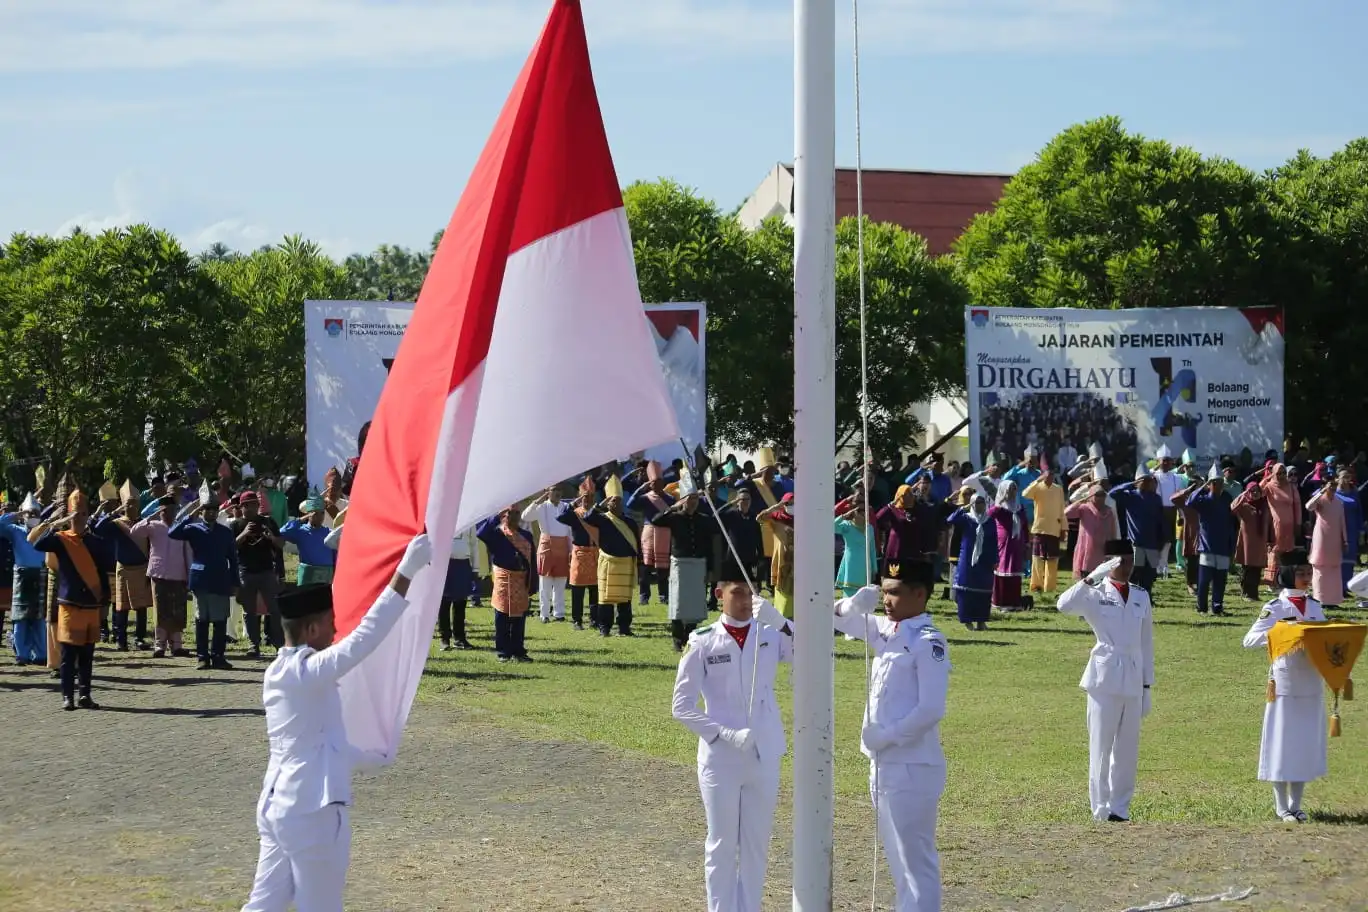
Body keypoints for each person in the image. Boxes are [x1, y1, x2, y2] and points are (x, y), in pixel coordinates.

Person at [240, 533, 430, 912]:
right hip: (311, 810)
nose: (335, 631)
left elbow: (319, 744)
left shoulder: (278, 671)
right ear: (311, 631)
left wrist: (369, 758)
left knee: (263, 906)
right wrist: (404, 572)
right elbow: (366, 637)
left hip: (278, 806)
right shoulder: (308, 671)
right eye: (330, 624)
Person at [670, 561, 794, 912]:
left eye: (752, 591)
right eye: (738, 592)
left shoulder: (770, 633)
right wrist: (722, 733)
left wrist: (783, 622)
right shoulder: (703, 641)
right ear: (719, 594)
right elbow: (681, 705)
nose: (745, 599)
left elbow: (814, 652)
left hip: (763, 752)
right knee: (722, 843)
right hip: (721, 757)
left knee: (756, 844)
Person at [834, 562, 949, 912]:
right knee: (898, 861)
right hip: (883, 764)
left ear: (920, 594)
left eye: (894, 591)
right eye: (884, 591)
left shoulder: (927, 642)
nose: (887, 599)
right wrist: (854, 603)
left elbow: (931, 709)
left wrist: (886, 736)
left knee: (915, 862)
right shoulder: (887, 629)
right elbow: (832, 619)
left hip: (911, 765)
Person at [1057, 540, 1154, 821]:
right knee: (1101, 747)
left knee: (1127, 749)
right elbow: (1063, 605)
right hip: (1104, 676)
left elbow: (1146, 643)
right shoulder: (1094, 593)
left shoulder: (1140, 595)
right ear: (1109, 562)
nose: (1126, 566)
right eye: (1121, 561)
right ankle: (1099, 808)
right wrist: (1092, 576)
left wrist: (1147, 686)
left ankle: (1120, 808)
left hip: (1134, 677)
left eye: (1130, 560)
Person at [1242, 550, 1326, 822]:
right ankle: (1281, 806)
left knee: (1303, 743)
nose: (1306, 578)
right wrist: (1283, 635)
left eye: (1308, 572)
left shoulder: (1315, 606)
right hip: (1285, 683)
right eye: (1301, 573)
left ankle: (1297, 803)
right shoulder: (1275, 607)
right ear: (1289, 574)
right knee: (1282, 743)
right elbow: (1250, 640)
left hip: (1311, 682)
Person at [30, 488, 121, 710]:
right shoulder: (61, 540)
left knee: (87, 656)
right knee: (68, 656)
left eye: (82, 514)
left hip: (91, 605)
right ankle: (67, 696)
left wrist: (104, 602)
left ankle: (85, 695)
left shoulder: (96, 541)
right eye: (75, 514)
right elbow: (35, 542)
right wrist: (55, 520)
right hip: (69, 605)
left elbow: (104, 569)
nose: (78, 519)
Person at [171, 500, 241, 671]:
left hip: (220, 579)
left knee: (220, 621)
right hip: (201, 579)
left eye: (214, 509)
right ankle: (202, 657)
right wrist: (191, 515)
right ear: (201, 511)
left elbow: (233, 558)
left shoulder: (225, 532)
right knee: (201, 620)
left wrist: (235, 582)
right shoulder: (193, 529)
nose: (211, 512)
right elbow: (173, 532)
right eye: (207, 509)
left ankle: (218, 657)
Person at [565, 480, 640, 637]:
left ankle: (624, 628)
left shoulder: (630, 522)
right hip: (608, 563)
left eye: (618, 501)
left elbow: (636, 543)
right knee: (605, 599)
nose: (616, 504)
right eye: (613, 501)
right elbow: (587, 518)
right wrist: (600, 504)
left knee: (625, 600)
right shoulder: (602, 518)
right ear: (608, 503)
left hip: (626, 564)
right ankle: (604, 628)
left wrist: (638, 561)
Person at [650, 486, 717, 651]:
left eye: (695, 499)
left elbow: (709, 546)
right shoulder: (674, 517)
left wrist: (711, 568)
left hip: (698, 564)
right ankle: (677, 639)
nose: (693, 503)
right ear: (683, 500)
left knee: (694, 603)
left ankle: (691, 637)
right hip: (680, 564)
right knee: (679, 603)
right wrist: (672, 507)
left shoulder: (704, 519)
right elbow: (656, 520)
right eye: (690, 499)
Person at [1173, 468, 1238, 616]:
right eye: (1215, 483)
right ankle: (1201, 607)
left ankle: (1217, 607)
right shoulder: (1203, 499)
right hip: (1207, 546)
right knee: (1204, 580)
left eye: (1220, 482)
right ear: (1209, 484)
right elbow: (1190, 501)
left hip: (1223, 545)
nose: (1218, 485)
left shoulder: (1226, 498)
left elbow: (1231, 519)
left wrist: (1231, 544)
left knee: (1220, 580)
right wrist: (1203, 485)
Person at [476, 508, 536, 663]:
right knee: (502, 617)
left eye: (516, 513)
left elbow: (532, 562)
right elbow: (481, 533)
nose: (513, 517)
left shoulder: (526, 535)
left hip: (520, 580)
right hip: (504, 579)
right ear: (503, 516)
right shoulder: (497, 534)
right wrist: (495, 516)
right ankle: (503, 652)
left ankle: (518, 651)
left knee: (519, 619)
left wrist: (532, 583)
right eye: (509, 514)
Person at [232, 492, 285, 657]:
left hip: (267, 571)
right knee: (249, 611)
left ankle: (279, 644)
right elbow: (230, 547)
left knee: (275, 609)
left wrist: (270, 537)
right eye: (246, 505)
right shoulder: (236, 525)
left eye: (254, 504)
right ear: (241, 507)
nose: (250, 508)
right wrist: (244, 534)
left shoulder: (268, 522)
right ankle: (253, 644)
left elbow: (281, 544)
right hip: (245, 571)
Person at [1, 497, 48, 665]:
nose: (33, 516)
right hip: (21, 576)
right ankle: (22, 654)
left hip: (41, 574)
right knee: (20, 619)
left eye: (36, 513)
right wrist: (18, 514)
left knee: (39, 619)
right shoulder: (15, 530)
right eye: (30, 513)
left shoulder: (45, 531)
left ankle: (41, 654)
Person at [1109, 470, 1167, 593]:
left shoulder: (1156, 498)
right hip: (1136, 543)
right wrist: (1132, 483)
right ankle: (1130, 596)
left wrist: (1162, 539)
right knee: (1135, 573)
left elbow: (1160, 520)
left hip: (1152, 543)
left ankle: (1146, 597)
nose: (1148, 483)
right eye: (1145, 481)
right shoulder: (1130, 496)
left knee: (1150, 574)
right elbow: (1112, 493)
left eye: (1149, 480)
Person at [521, 486, 572, 623]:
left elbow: (570, 531)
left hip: (562, 546)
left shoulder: (566, 506)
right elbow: (525, 516)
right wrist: (539, 500)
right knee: (545, 583)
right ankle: (544, 614)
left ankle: (559, 613)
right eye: (554, 489)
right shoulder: (541, 506)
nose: (557, 493)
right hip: (547, 546)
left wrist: (571, 550)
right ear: (548, 492)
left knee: (560, 583)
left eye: (559, 489)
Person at [628, 463, 676, 606]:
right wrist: (640, 489)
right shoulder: (646, 497)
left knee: (663, 568)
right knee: (646, 567)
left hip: (665, 533)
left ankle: (663, 595)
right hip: (649, 531)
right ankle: (644, 595)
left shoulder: (670, 499)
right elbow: (631, 504)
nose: (657, 485)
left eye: (659, 482)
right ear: (650, 484)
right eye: (654, 483)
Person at [948, 492, 997, 630]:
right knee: (966, 590)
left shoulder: (989, 521)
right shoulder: (966, 518)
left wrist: (995, 559)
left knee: (984, 591)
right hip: (967, 559)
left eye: (982, 502)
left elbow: (994, 541)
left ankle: (981, 621)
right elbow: (950, 520)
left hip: (985, 559)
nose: (979, 505)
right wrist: (963, 508)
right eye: (976, 503)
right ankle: (967, 620)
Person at [558, 480, 600, 631]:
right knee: (578, 590)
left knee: (595, 590)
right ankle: (577, 620)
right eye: (584, 497)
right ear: (580, 498)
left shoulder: (598, 513)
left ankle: (595, 620)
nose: (587, 500)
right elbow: (560, 517)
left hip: (595, 553)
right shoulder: (575, 514)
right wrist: (572, 504)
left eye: (590, 497)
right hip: (579, 554)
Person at [1022, 468, 1067, 595]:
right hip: (1039, 528)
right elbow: (1025, 494)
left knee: (1052, 560)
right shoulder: (1037, 487)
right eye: (1047, 476)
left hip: (1054, 528)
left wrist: (1064, 528)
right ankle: (1036, 585)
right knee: (1037, 558)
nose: (1049, 479)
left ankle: (1050, 587)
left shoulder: (1058, 489)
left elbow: (1061, 509)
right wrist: (1037, 480)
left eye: (1051, 476)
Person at [1306, 476, 1348, 608]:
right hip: (1322, 537)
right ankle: (1320, 599)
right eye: (1330, 486)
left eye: (1335, 487)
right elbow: (1309, 506)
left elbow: (1342, 523)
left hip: (1335, 539)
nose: (1333, 489)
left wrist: (1345, 541)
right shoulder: (1320, 501)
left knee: (1334, 569)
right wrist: (1321, 491)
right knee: (1320, 568)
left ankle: (1334, 600)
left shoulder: (1339, 503)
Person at [989, 481, 1029, 612]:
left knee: (1015, 571)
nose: (1012, 492)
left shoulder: (1019, 507)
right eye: (1009, 489)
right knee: (1003, 570)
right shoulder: (999, 508)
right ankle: (1001, 603)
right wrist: (1000, 502)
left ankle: (1014, 603)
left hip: (1017, 543)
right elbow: (987, 516)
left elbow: (1024, 526)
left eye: (1014, 489)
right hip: (1003, 544)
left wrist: (1027, 543)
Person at [1064, 483, 1118, 581]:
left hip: (1103, 549)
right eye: (1098, 495)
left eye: (1103, 495)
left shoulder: (1109, 511)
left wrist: (1112, 548)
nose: (1101, 498)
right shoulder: (1084, 508)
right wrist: (1079, 502)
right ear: (1091, 495)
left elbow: (1112, 530)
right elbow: (1066, 513)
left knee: (1101, 579)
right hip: (1087, 549)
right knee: (1086, 579)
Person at [1261, 464, 1303, 585]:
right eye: (1279, 473)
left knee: (1288, 553)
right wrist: (1267, 479)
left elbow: (1298, 506)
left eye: (1284, 473)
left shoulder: (1291, 487)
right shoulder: (1269, 486)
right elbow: (1258, 493)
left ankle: (1285, 580)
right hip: (1275, 525)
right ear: (1274, 474)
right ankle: (1271, 581)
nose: (1282, 476)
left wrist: (1298, 524)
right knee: (1275, 552)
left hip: (1290, 526)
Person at [281, 496, 337, 586]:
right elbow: (283, 532)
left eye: (322, 513)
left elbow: (336, 555)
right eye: (316, 514)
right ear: (309, 514)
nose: (320, 517)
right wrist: (302, 519)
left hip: (326, 577)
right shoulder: (301, 532)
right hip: (308, 577)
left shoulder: (329, 533)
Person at [1231, 483, 1274, 601]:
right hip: (1247, 542)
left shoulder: (1265, 506)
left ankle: (1254, 594)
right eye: (1252, 491)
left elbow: (1270, 523)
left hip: (1260, 542)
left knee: (1257, 568)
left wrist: (1271, 539)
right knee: (1247, 568)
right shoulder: (1244, 506)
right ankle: (1246, 593)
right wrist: (1244, 494)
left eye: (1257, 491)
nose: (1255, 493)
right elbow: (1233, 507)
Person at [439, 525, 478, 650]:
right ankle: (444, 639)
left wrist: (476, 567)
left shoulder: (470, 520)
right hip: (445, 563)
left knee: (460, 603)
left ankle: (459, 638)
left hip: (463, 563)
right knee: (444, 602)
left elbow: (473, 543)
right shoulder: (444, 515)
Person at [834, 504, 875, 598]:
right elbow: (831, 526)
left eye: (865, 513)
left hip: (865, 564)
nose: (863, 515)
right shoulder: (847, 526)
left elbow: (872, 549)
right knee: (850, 595)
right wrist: (844, 515)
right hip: (851, 563)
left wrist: (874, 568)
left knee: (863, 593)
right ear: (854, 513)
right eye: (860, 513)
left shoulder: (870, 528)